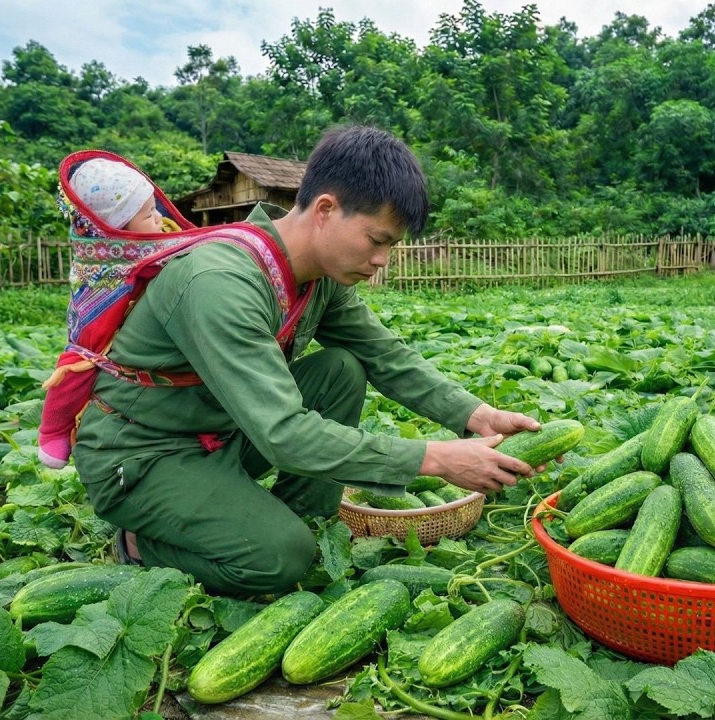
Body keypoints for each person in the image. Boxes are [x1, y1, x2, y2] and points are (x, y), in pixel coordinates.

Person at [70, 125, 549, 596]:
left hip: (221, 431)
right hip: (143, 456)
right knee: (281, 557)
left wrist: (478, 417)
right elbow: (281, 432)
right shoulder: (218, 281)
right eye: (377, 240)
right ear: (325, 210)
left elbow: (384, 354)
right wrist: (435, 458)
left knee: (341, 368)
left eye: (391, 246)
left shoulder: (320, 276)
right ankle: (140, 544)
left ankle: (290, 518)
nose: (383, 259)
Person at [36, 157, 175, 470]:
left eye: (156, 209)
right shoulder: (105, 263)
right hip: (94, 340)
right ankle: (53, 430)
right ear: (117, 228)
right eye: (149, 214)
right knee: (78, 365)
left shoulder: (158, 237)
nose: (158, 220)